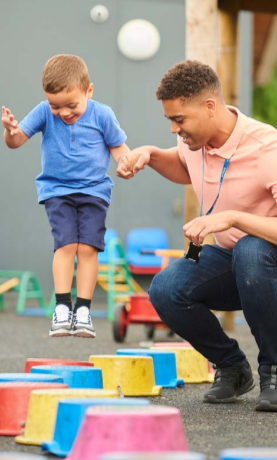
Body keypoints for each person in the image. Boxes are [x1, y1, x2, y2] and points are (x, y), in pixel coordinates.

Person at [117, 60, 277, 412]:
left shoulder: (267, 148)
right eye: (170, 121)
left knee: (250, 248)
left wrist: (233, 218)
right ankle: (233, 368)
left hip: (267, 265)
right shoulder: (196, 144)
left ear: (209, 107)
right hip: (235, 265)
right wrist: (150, 154)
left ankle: (274, 370)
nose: (175, 130)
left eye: (179, 120)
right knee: (165, 287)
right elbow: (181, 165)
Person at [2, 54, 132, 339]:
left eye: (71, 105)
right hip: (57, 190)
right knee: (65, 245)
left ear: (89, 91)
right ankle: (62, 308)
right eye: (55, 106)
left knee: (88, 248)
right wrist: (10, 132)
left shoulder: (103, 114)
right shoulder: (43, 112)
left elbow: (119, 148)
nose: (63, 112)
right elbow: (16, 141)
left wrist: (126, 163)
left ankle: (83, 311)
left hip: (94, 191)